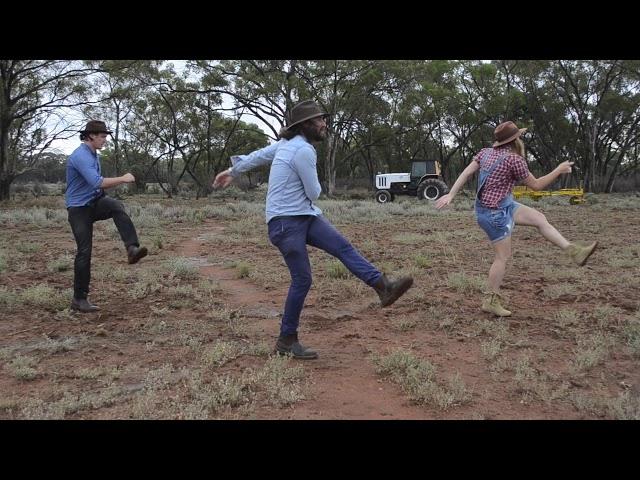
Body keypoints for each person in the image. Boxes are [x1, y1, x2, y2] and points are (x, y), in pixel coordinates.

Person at [213, 100, 413, 359]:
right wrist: (236, 171)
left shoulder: (286, 145)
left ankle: (383, 287)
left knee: (342, 246)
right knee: (302, 279)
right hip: (286, 223)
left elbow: (259, 155)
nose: (324, 124)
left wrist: (232, 170)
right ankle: (286, 340)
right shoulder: (303, 151)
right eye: (319, 120)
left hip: (303, 216)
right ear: (305, 125)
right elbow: (314, 192)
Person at [435, 121, 597, 317]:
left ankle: (574, 251)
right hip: (494, 214)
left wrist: (451, 194)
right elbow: (536, 185)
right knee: (502, 257)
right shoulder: (514, 159)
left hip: (502, 206)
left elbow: (466, 173)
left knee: (539, 218)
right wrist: (559, 170)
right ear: (515, 140)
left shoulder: (485, 153)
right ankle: (490, 300)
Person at [65, 120, 148, 313]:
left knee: (116, 206)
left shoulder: (93, 154)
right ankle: (79, 299)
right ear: (91, 136)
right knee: (84, 251)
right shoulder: (80, 156)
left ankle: (132, 249)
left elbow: (96, 188)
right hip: (78, 209)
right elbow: (96, 182)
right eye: (102, 136)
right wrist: (123, 178)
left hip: (93, 203)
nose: (105, 140)